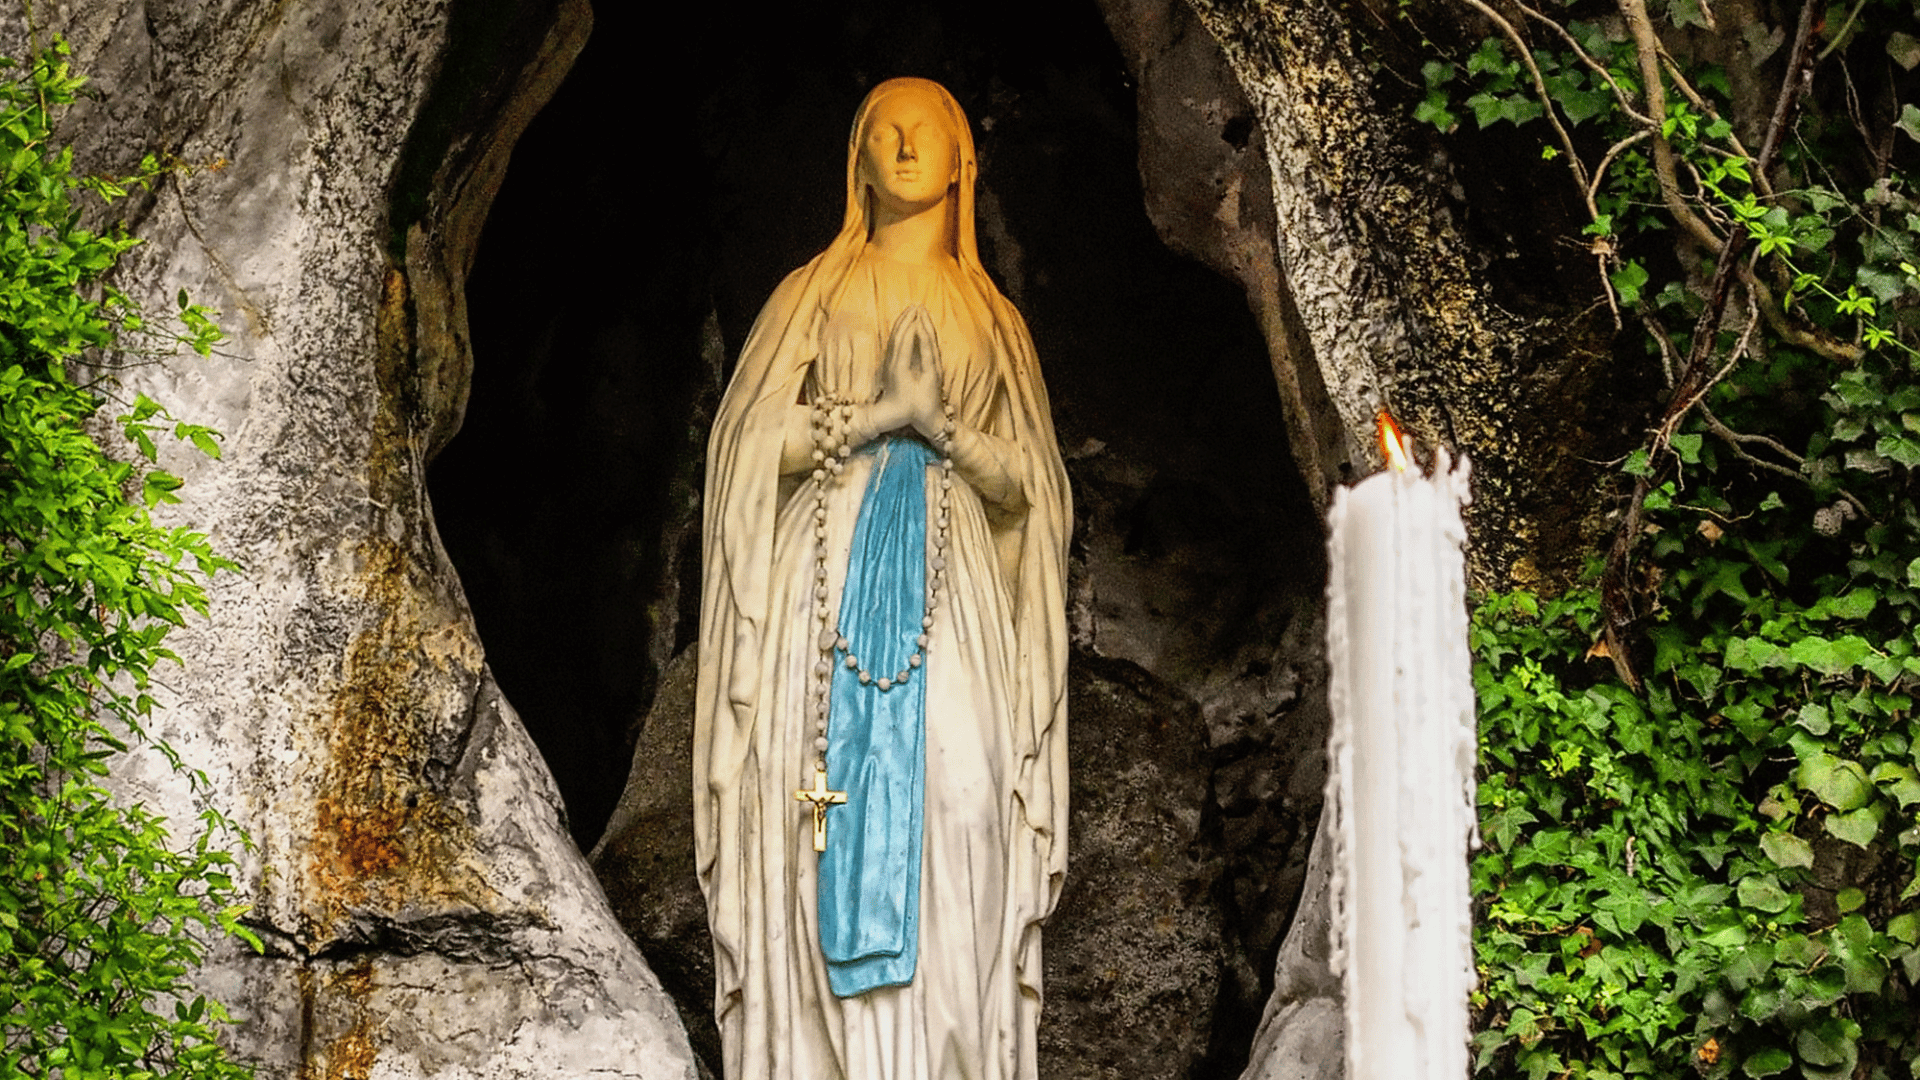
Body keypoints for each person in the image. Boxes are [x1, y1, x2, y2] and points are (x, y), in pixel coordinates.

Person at [693, 77, 1070, 1080]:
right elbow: (741, 448)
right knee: (805, 812)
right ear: (856, 162)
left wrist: (939, 427)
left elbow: (1034, 488)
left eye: (928, 133)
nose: (906, 148)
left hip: (958, 596)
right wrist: (869, 418)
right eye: (884, 133)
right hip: (817, 580)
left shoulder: (993, 320)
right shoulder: (810, 295)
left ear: (963, 163)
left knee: (964, 800)